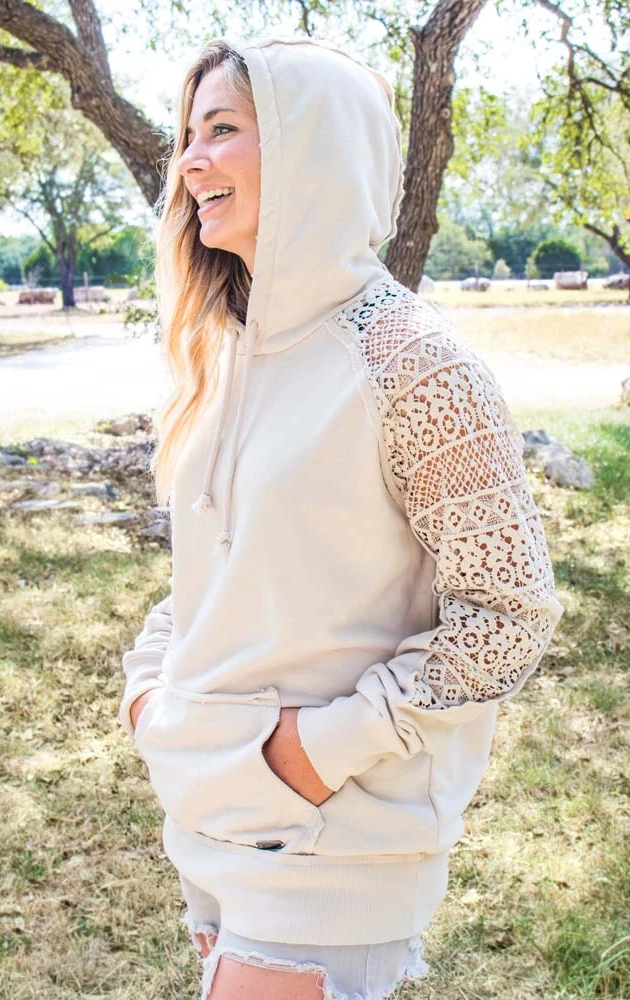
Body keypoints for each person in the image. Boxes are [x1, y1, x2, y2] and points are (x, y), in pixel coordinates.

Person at [118, 34, 563, 1000]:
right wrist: (153, 695)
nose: (189, 162)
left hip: (333, 834)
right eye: (187, 135)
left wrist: (313, 754)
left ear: (310, 141)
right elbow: (212, 571)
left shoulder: (413, 362)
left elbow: (509, 614)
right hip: (206, 810)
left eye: (221, 129)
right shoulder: (223, 354)